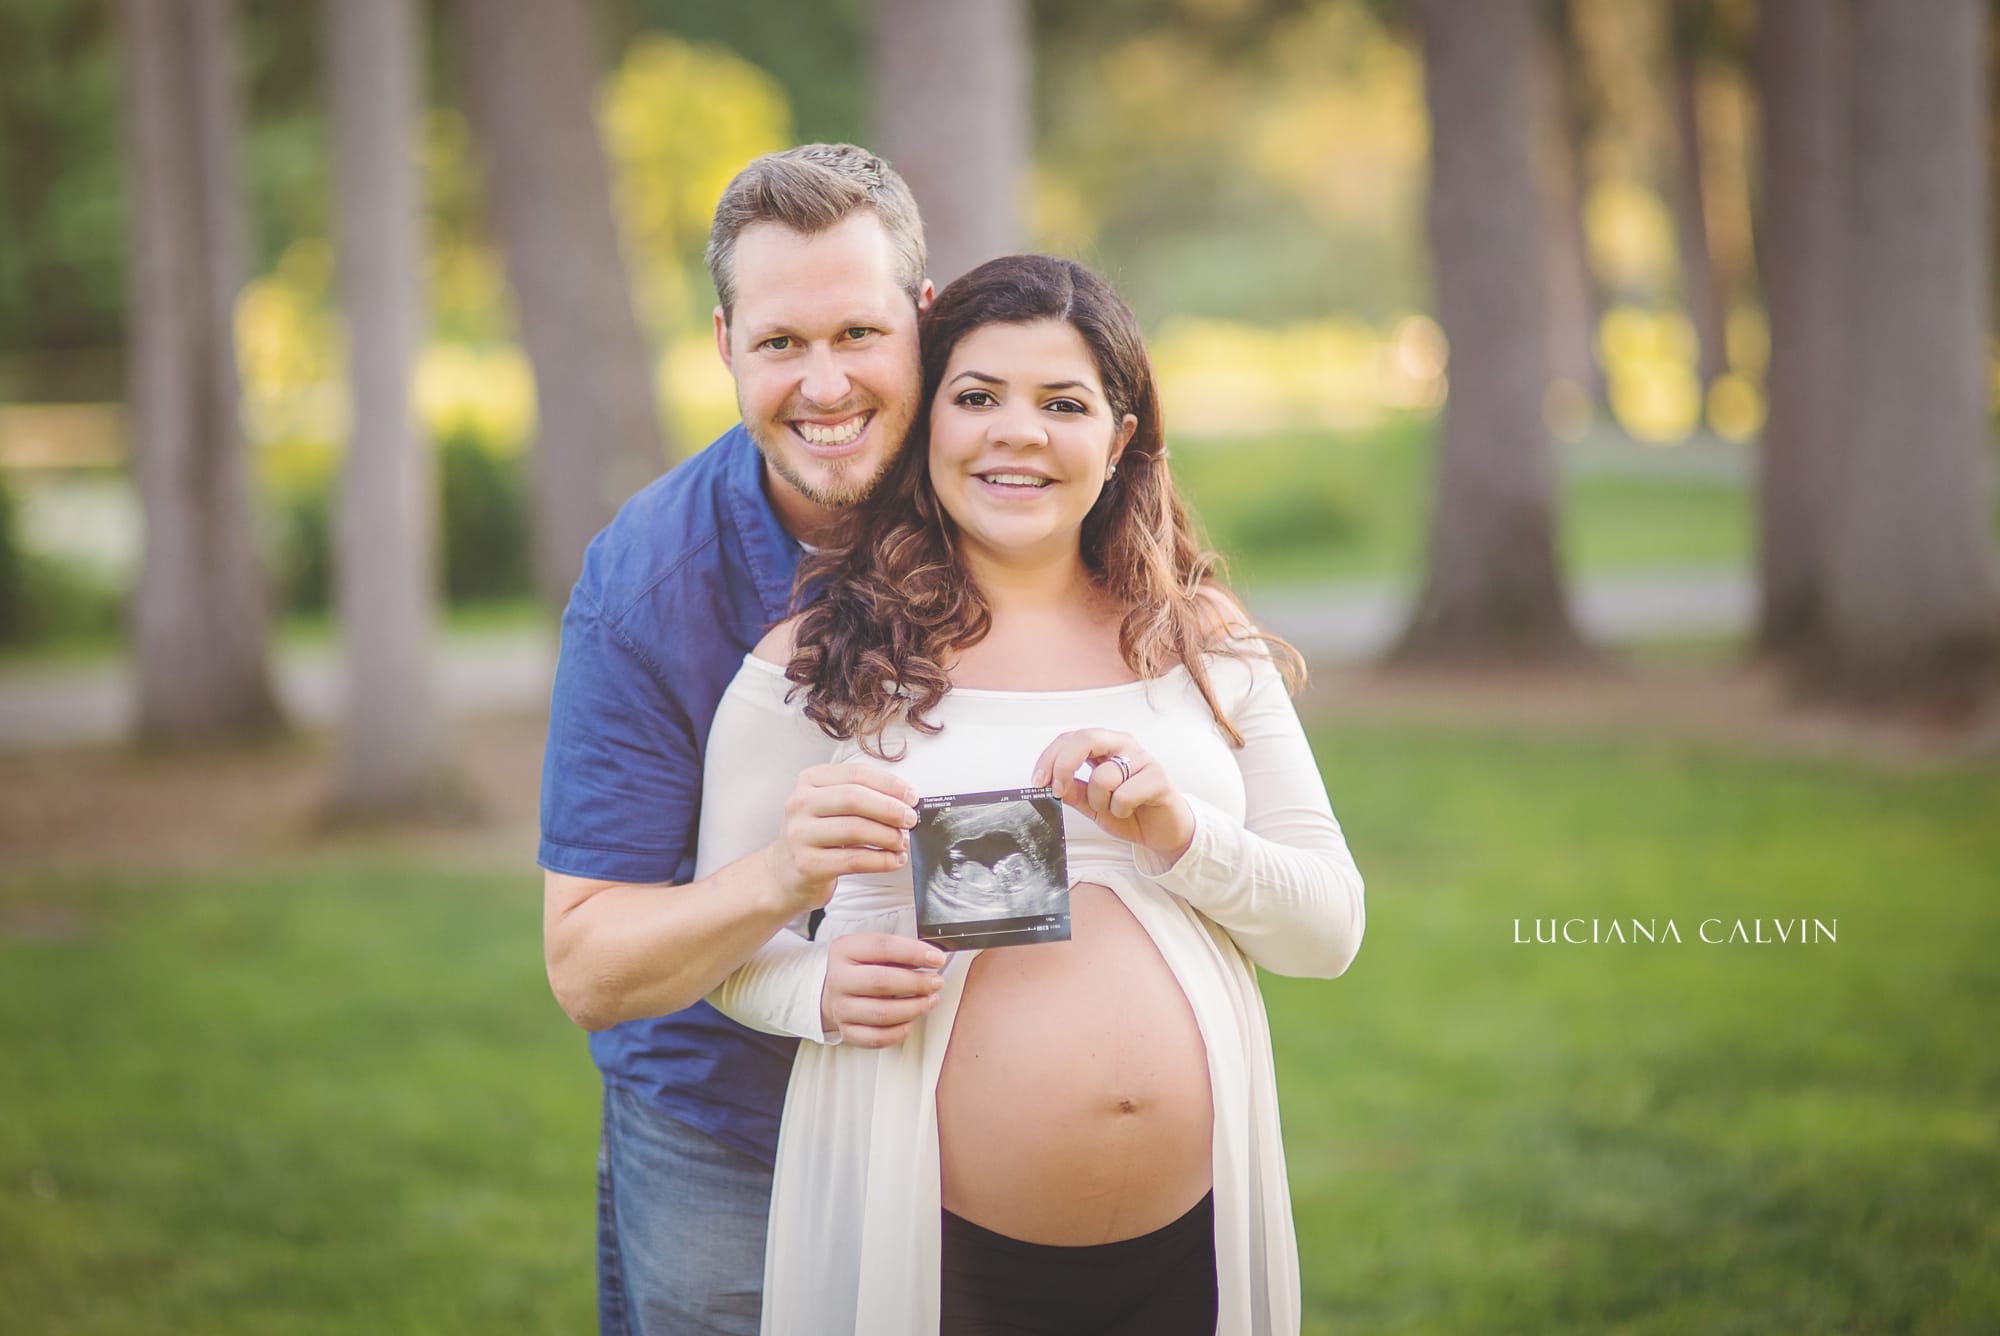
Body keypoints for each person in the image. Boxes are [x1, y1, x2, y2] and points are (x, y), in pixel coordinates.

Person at [692, 255, 1367, 1335]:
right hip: (930, 1243)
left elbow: (1328, 931)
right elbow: (723, 943)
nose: (1018, 433)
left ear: (1120, 438)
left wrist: (1178, 833)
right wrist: (814, 991)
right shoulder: (814, 665)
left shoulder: (1202, 643)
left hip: (1191, 1248)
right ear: (926, 425)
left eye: (1062, 404)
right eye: (976, 397)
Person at [536, 144, 936, 1336]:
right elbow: (587, 965)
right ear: (724, 345)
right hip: (726, 1128)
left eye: (858, 333)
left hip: (967, 1102)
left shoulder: (1012, 495)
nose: (824, 384)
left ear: (923, 318)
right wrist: (780, 875)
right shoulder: (644, 582)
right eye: (780, 343)